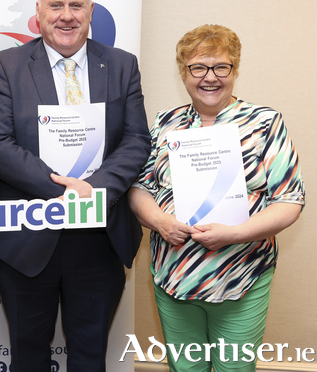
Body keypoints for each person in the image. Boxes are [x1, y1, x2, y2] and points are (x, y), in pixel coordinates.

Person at [0, 0, 151, 371]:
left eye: (76, 6)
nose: (66, 16)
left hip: (99, 236)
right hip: (28, 236)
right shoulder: (7, 65)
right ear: (38, 13)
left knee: (90, 356)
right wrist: (63, 193)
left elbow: (137, 139)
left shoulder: (122, 66)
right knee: (28, 355)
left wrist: (96, 188)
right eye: (56, 6)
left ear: (91, 13)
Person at [129, 24, 304, 372]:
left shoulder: (264, 123)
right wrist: (160, 222)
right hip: (173, 275)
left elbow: (289, 200)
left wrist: (235, 234)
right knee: (185, 369)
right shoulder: (167, 122)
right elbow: (140, 188)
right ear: (184, 73)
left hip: (241, 275)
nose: (210, 77)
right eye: (198, 67)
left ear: (234, 69)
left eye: (220, 67)